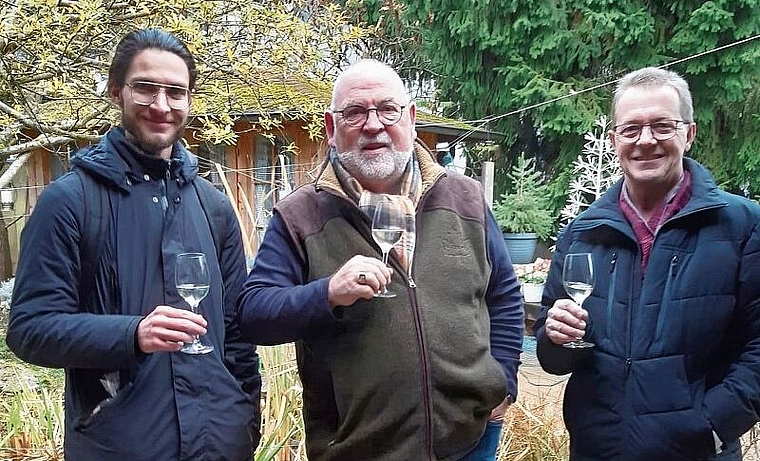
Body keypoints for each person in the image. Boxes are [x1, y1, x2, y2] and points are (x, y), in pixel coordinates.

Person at [237, 59, 524, 461]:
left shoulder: (465, 197)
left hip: (468, 444)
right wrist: (329, 293)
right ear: (331, 129)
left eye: (387, 109)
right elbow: (253, 314)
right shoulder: (300, 215)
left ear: (409, 118)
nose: (373, 124)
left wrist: (503, 381)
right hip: (357, 449)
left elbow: (504, 294)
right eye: (355, 112)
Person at [6, 29, 261, 460]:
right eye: (145, 88)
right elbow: (30, 329)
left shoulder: (214, 207)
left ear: (189, 101)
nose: (161, 105)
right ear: (116, 93)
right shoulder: (70, 201)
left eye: (175, 92)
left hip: (221, 445)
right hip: (118, 446)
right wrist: (132, 333)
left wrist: (244, 420)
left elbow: (237, 336)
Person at [535, 66, 760, 460]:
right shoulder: (582, 233)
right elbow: (553, 359)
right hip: (597, 450)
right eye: (631, 129)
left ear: (688, 134)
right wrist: (555, 338)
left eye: (662, 126)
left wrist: (712, 426)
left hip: (696, 452)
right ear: (613, 140)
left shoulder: (743, 226)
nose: (645, 141)